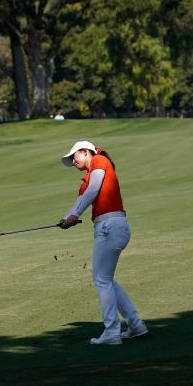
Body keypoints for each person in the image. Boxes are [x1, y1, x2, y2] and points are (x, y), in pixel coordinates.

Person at [58, 140, 147, 345]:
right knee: (106, 279)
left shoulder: (99, 160)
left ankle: (112, 332)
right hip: (112, 226)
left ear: (86, 152)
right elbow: (84, 199)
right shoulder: (87, 178)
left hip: (110, 226)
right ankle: (136, 325)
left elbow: (94, 191)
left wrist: (74, 214)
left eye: (74, 157)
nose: (73, 162)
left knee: (101, 280)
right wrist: (68, 218)